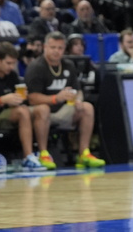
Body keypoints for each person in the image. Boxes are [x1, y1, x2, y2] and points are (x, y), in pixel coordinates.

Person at [25, 32, 105, 170]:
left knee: (87, 107)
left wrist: (78, 100)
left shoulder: (68, 65)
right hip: (38, 112)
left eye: (60, 48)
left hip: (62, 111)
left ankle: (83, 154)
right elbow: (32, 98)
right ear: (45, 47)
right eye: (53, 47)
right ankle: (43, 154)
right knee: (43, 109)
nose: (56, 51)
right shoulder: (36, 67)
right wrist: (56, 98)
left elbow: (77, 90)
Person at [0, 41, 50, 171]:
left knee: (23, 110)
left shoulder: (12, 76)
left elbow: (18, 101)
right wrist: (3, 99)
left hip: (5, 114)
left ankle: (28, 157)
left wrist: (20, 98)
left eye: (13, 63)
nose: (11, 67)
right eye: (8, 63)